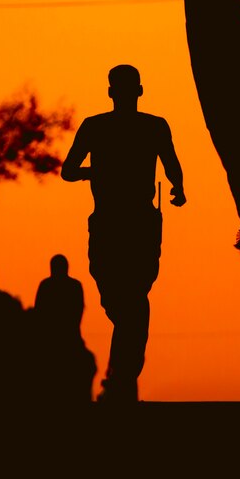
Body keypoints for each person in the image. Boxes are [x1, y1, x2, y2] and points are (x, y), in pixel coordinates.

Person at [61, 65, 186, 403]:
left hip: (135, 223)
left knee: (132, 301)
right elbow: (68, 170)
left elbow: (171, 163)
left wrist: (178, 187)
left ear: (113, 92)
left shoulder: (152, 127)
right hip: (111, 222)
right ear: (134, 91)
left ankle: (123, 375)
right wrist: (94, 172)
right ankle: (123, 372)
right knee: (120, 301)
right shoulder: (96, 127)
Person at [30, 254, 97, 403]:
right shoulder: (74, 286)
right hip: (63, 338)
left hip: (59, 339)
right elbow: (77, 312)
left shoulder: (46, 286)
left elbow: (39, 313)